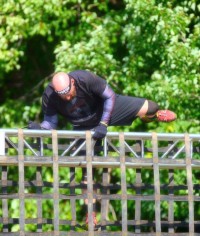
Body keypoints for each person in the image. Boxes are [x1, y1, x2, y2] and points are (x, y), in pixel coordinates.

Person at [28, 70, 177, 227]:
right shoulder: (50, 95)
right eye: (61, 94)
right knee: (86, 170)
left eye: (68, 92)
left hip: (106, 110)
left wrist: (103, 123)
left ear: (72, 82)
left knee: (151, 106)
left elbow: (109, 96)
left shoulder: (85, 79)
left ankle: (152, 117)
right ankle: (90, 212)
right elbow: (50, 124)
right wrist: (39, 129)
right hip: (83, 126)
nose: (66, 97)